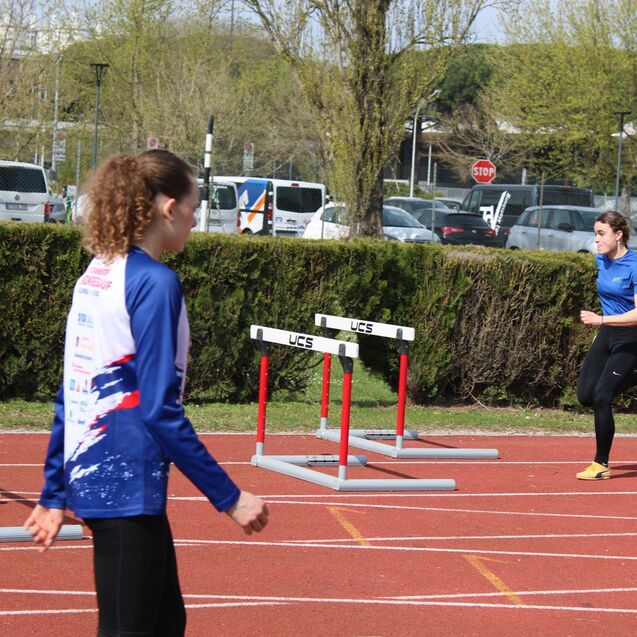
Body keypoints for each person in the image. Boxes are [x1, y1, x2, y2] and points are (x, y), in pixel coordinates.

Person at [23, 149, 269, 636]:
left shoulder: (97, 273)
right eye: (194, 207)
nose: (195, 220)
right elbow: (160, 411)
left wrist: (54, 491)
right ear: (168, 208)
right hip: (123, 483)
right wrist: (230, 497)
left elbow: (72, 391)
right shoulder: (156, 283)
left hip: (111, 481)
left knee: (165, 622)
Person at [578, 210, 637, 480]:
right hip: (607, 334)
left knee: (602, 396)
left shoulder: (634, 264)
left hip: (631, 337)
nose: (596, 240)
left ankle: (601, 464)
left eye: (601, 234)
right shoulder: (601, 260)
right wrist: (603, 326)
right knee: (586, 396)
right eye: (595, 234)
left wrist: (600, 319)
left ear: (619, 234)